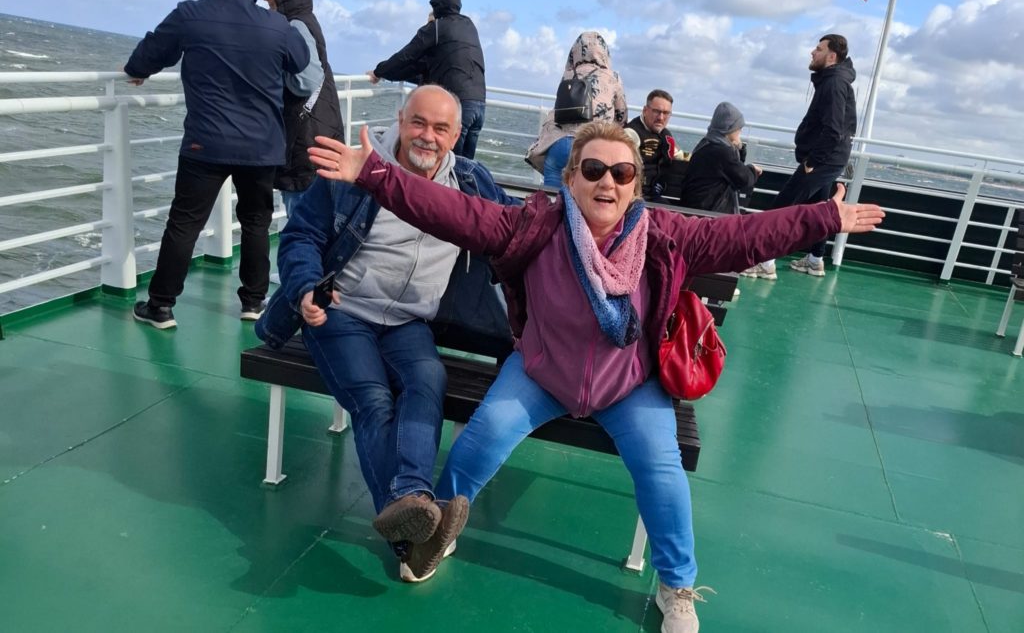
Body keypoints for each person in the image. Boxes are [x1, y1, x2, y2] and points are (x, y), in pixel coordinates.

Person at [309, 120, 884, 632]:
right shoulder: (534, 226)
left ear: (635, 185)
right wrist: (376, 174)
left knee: (661, 470)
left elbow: (746, 238)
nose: (607, 182)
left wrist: (825, 217)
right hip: (542, 371)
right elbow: (455, 212)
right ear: (570, 181)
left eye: (622, 172)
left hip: (629, 384)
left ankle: (677, 585)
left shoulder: (664, 235)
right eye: (593, 170)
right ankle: (436, 535)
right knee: (479, 440)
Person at [256, 84, 516, 584]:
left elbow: (520, 229)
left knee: (427, 381)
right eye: (418, 122)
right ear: (400, 120)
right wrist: (306, 286)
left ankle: (413, 512)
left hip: (409, 321)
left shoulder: (470, 182)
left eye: (440, 128)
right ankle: (412, 529)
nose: (427, 136)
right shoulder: (357, 169)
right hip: (341, 310)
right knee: (374, 399)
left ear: (456, 136)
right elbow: (301, 236)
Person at [125, 0, 310, 329]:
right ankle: (253, 302)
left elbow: (153, 51)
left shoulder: (191, 15)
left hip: (204, 143)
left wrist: (137, 70)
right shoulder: (275, 25)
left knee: (184, 223)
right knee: (256, 223)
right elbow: (301, 60)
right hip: (261, 146)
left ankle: (161, 306)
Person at [743, 33, 857, 280]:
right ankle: (815, 260)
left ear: (831, 56)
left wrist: (812, 161)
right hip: (830, 158)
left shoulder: (834, 83)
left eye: (818, 49)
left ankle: (765, 262)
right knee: (819, 208)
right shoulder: (833, 80)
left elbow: (833, 129)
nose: (812, 52)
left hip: (823, 159)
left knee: (783, 207)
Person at [258, 0, 344, 217]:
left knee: (301, 222)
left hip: (304, 140)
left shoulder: (295, 25)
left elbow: (306, 81)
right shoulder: (306, 20)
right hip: (319, 132)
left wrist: (275, 74)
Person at [367, 0, 486, 159]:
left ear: (436, 6)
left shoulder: (436, 28)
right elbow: (420, 69)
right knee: (466, 166)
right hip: (479, 105)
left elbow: (406, 56)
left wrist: (378, 72)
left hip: (459, 105)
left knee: (449, 164)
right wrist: (385, 73)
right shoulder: (468, 26)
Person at [526, 31, 627, 187]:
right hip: (590, 145)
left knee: (552, 195)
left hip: (558, 143)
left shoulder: (568, 75)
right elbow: (621, 116)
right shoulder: (613, 77)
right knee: (583, 195)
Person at [677, 102, 761, 214]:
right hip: (707, 213)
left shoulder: (706, 143)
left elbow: (733, 171)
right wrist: (753, 169)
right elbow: (744, 180)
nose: (740, 131)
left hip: (694, 208)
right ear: (730, 128)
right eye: (739, 127)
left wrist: (738, 148)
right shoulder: (721, 151)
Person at [626, 89, 678, 200]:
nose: (661, 117)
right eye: (656, 111)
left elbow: (677, 154)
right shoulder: (631, 133)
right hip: (635, 196)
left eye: (666, 113)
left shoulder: (665, 135)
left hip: (655, 195)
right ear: (645, 110)